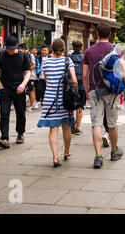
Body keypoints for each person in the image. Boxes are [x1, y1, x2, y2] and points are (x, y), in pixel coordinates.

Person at [83, 23, 125, 169]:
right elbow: (123, 70)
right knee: (112, 124)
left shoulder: (89, 51)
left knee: (96, 123)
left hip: (95, 90)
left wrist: (87, 91)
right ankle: (114, 151)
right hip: (112, 91)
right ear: (110, 33)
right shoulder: (116, 50)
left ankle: (98, 156)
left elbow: (85, 75)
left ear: (96, 34)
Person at [37, 39, 77, 168]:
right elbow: (74, 80)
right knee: (66, 126)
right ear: (64, 49)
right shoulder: (67, 60)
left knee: (53, 128)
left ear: (51, 49)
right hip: (65, 99)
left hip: (49, 99)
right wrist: (75, 94)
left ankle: (55, 156)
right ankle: (66, 151)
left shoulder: (45, 61)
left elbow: (46, 80)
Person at [0, 36, 31, 149]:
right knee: (4, 112)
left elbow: (28, 72)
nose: (9, 51)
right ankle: (4, 138)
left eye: (11, 48)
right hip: (5, 87)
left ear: (16, 46)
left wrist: (23, 84)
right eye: (7, 48)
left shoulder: (22, 55)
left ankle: (20, 133)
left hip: (19, 87)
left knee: (20, 112)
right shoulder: (1, 55)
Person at [69, 40, 85, 135]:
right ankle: (78, 127)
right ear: (82, 47)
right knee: (80, 106)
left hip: (71, 85)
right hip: (81, 85)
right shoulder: (84, 58)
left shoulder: (69, 58)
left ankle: (71, 123)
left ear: (72, 47)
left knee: (70, 106)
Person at [19, 43, 37, 112]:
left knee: (31, 90)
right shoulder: (20, 55)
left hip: (31, 76)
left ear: (23, 49)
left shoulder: (30, 55)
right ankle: (23, 104)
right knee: (22, 90)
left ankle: (31, 105)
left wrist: (27, 70)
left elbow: (34, 65)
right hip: (22, 76)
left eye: (20, 49)